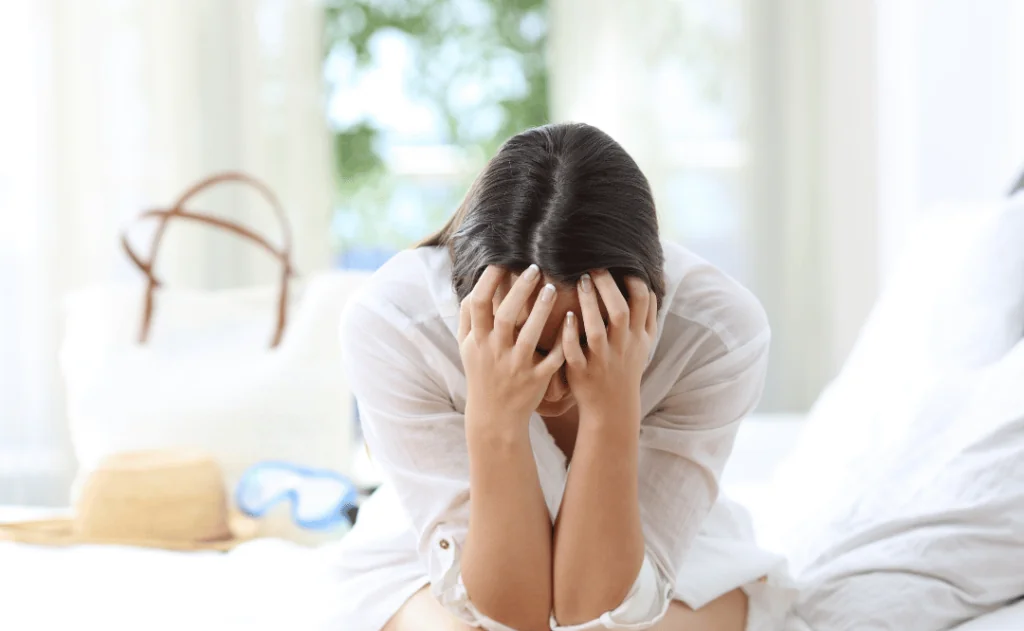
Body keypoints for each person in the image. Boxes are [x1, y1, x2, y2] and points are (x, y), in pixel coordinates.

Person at [332, 123, 795, 631]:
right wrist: (496, 418)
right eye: (529, 343)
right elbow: (510, 615)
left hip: (663, 547)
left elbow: (594, 613)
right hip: (442, 547)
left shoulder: (717, 332)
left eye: (585, 346)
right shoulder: (396, 322)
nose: (551, 385)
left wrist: (612, 409)